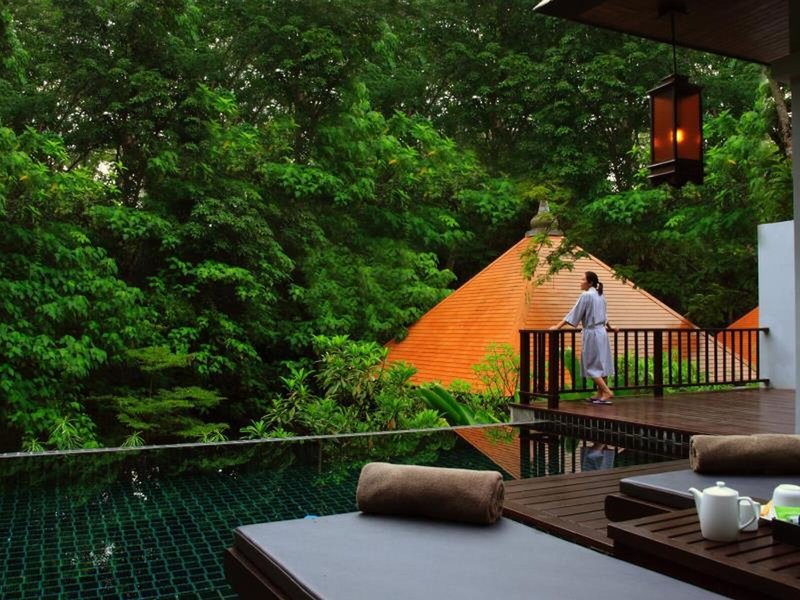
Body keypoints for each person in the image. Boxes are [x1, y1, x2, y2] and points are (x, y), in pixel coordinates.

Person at [550, 271, 616, 404]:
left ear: (590, 282)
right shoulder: (600, 295)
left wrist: (558, 326)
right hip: (602, 332)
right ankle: (600, 393)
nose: (580, 282)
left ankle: (607, 392)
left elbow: (574, 313)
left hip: (592, 333)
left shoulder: (586, 295)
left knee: (590, 364)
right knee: (601, 363)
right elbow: (605, 315)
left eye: (582, 279)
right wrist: (611, 327)